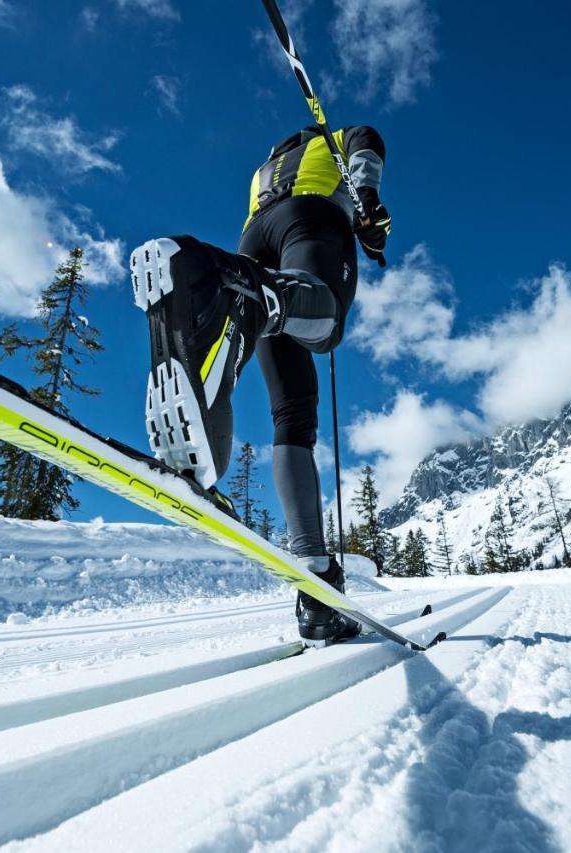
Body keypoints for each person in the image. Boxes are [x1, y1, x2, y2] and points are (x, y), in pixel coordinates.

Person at [130, 123, 390, 646]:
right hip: (309, 221)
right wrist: (365, 199)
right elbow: (367, 140)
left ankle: (316, 589)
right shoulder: (335, 138)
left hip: (255, 241)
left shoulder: (263, 169)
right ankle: (226, 294)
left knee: (293, 411)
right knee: (327, 321)